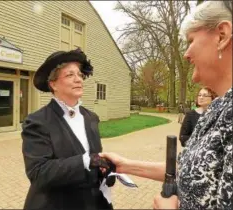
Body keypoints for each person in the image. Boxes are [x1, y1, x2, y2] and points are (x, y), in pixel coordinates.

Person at [100, 1, 232, 209]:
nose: (186, 54)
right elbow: (187, 169)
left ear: (222, 35)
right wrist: (124, 165)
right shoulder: (217, 109)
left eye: (191, 40)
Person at [21, 49, 115, 210]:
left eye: (79, 74)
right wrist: (86, 161)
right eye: (70, 75)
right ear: (53, 84)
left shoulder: (91, 117)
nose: (78, 79)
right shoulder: (37, 121)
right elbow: (38, 173)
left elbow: (94, 160)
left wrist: (105, 170)